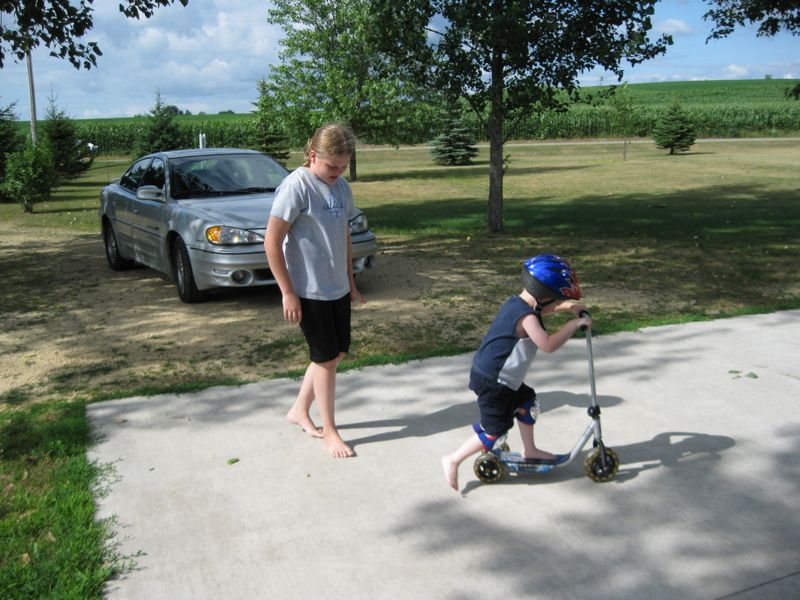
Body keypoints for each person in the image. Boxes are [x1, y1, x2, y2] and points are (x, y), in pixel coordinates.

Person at [441, 254, 591, 490]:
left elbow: (545, 310)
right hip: (494, 382)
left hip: (501, 379)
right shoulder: (528, 317)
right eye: (555, 298)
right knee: (493, 432)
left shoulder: (518, 303)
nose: (555, 303)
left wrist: (568, 306)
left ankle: (529, 450)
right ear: (542, 295)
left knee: (526, 401)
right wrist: (574, 325)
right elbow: (548, 345)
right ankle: (453, 459)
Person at [265, 123, 365, 458]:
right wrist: (287, 292)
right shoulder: (297, 186)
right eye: (331, 166)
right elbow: (272, 242)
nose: (337, 172)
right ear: (312, 155)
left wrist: (350, 282)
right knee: (325, 359)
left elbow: (345, 235)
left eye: (343, 166)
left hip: (336, 286)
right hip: (309, 290)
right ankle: (330, 432)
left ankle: (298, 410)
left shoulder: (341, 187)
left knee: (333, 355)